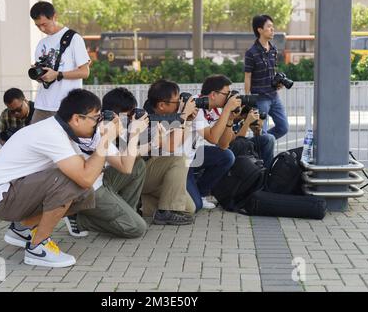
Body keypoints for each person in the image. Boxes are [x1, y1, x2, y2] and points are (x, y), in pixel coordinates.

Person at [0, 89, 123, 268]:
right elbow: (85, 177)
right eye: (95, 118)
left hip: (12, 191)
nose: (98, 123)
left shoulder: (63, 130)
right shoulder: (52, 134)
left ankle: (22, 229)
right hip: (3, 197)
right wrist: (105, 140)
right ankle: (38, 247)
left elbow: (85, 170)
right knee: (71, 182)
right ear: (77, 119)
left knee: (83, 192)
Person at [65, 88, 149, 239]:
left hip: (101, 178)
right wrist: (135, 133)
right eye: (128, 115)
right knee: (137, 228)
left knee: (139, 165)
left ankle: (126, 215)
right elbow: (126, 166)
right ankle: (79, 220)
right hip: (90, 188)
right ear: (115, 115)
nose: (131, 119)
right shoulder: (100, 129)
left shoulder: (105, 127)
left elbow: (128, 160)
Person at [171, 75, 241, 212]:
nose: (229, 98)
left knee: (227, 156)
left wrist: (230, 119)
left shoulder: (216, 110)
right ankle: (189, 191)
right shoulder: (196, 105)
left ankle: (201, 192)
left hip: (194, 155)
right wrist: (227, 110)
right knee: (195, 206)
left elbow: (223, 145)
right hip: (180, 159)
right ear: (214, 94)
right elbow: (212, 138)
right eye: (226, 94)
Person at [141, 80, 199, 225]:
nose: (179, 104)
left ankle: (141, 204)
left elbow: (179, 140)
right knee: (179, 159)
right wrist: (183, 115)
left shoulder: (170, 117)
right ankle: (164, 213)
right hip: (141, 173)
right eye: (175, 102)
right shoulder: (147, 118)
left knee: (189, 208)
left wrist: (188, 120)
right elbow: (172, 147)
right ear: (161, 105)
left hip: (156, 175)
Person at [29, 1, 90, 123]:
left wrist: (58, 74)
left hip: (65, 106)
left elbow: (85, 72)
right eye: (37, 26)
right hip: (42, 105)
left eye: (44, 24)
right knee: (33, 140)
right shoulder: (42, 43)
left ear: (54, 17)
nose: (42, 28)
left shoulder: (73, 38)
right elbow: (44, 73)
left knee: (64, 141)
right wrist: (40, 77)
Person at [244, 14, 288, 140]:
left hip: (274, 97)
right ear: (260, 30)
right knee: (261, 132)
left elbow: (271, 72)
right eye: (269, 27)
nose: (272, 29)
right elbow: (247, 76)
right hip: (260, 99)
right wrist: (248, 100)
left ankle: (260, 143)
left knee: (283, 127)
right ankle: (262, 148)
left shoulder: (273, 49)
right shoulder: (251, 53)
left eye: (272, 27)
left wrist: (277, 83)